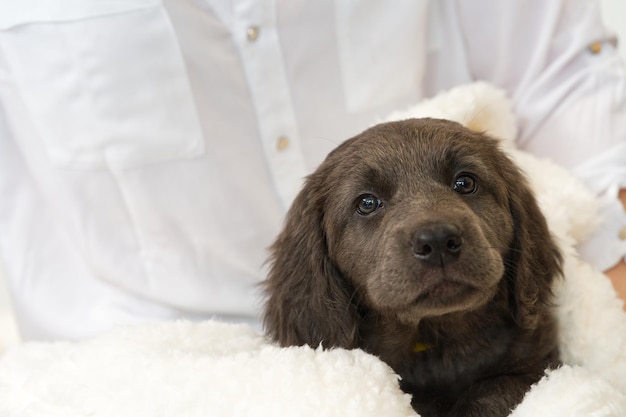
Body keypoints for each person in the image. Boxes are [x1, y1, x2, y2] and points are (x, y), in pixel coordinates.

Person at [0, 1, 624, 341]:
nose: (429, 225)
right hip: (122, 369)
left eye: (463, 187)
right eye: (370, 205)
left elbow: (569, 79)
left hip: (492, 331)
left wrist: (604, 293)